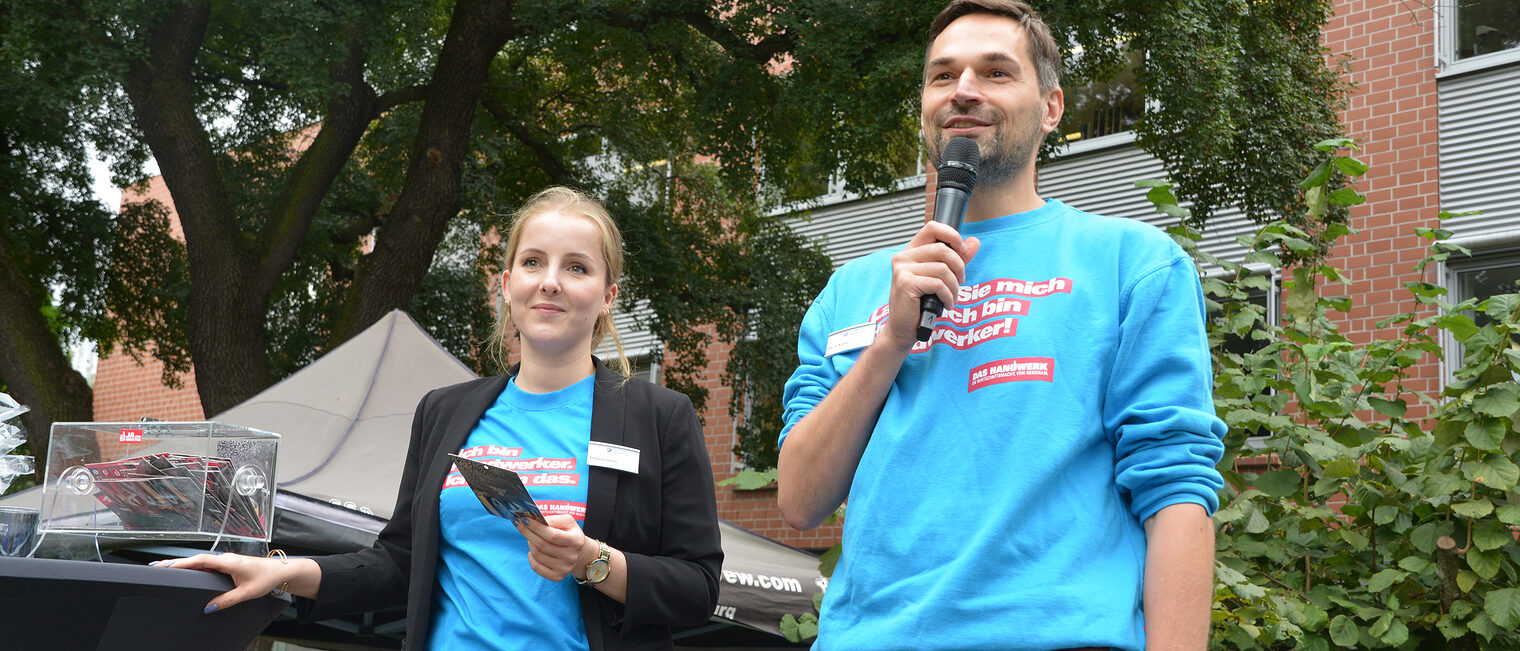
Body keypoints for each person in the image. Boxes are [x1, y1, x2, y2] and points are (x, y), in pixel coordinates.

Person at [775, 1, 1226, 649]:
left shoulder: (1134, 265)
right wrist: (890, 342)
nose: (964, 90)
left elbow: (1176, 489)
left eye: (994, 72)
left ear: (1052, 107)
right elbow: (797, 498)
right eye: (942, 75)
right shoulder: (850, 292)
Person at [156, 186, 723, 650]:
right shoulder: (444, 411)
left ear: (606, 297)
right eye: (532, 262)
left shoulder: (660, 415)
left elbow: (698, 588)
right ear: (507, 286)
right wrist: (286, 572)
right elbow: (398, 563)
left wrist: (595, 561)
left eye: (576, 268)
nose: (550, 280)